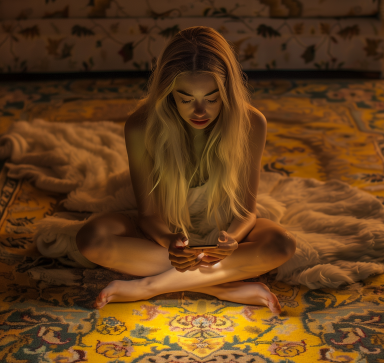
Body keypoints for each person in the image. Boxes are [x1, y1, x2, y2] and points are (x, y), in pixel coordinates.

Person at [75, 26, 297, 313]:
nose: (200, 111)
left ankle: (148, 287)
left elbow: (245, 211)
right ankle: (223, 287)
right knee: (91, 239)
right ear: (169, 94)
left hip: (222, 236)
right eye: (186, 99)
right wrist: (170, 242)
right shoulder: (141, 126)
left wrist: (232, 240)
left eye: (212, 98)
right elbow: (149, 215)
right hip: (164, 236)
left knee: (281, 245)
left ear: (227, 91)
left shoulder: (252, 123)